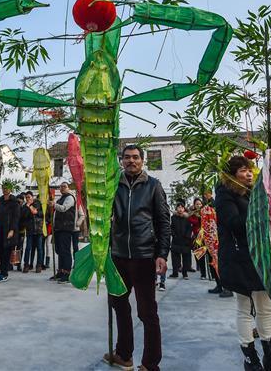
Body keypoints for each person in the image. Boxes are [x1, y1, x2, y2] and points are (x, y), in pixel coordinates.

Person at [216, 155, 271, 371]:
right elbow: (234, 224)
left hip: (261, 257)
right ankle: (250, 357)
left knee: (266, 308)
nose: (248, 174)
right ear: (231, 174)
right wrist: (259, 212)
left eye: (250, 170)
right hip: (239, 259)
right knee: (245, 308)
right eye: (242, 170)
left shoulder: (255, 193)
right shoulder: (224, 194)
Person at [104, 145, 171, 371]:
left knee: (147, 312)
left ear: (142, 161)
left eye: (135, 157)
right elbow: (104, 218)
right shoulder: (113, 186)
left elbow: (163, 222)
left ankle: (150, 364)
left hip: (144, 257)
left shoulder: (153, 186)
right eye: (127, 157)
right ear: (121, 161)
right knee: (119, 305)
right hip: (118, 257)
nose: (131, 161)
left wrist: (162, 253)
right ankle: (124, 354)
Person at [0, 182, 20, 283]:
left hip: (9, 230)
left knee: (6, 252)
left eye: (7, 188)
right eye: (3, 188)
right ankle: (1, 272)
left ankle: (4, 273)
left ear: (10, 190)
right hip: (0, 229)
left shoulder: (14, 202)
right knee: (0, 251)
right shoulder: (0, 201)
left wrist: (12, 230)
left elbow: (16, 218)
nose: (5, 190)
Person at [52, 181, 78, 283]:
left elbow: (63, 209)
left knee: (65, 251)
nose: (62, 188)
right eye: (61, 186)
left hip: (66, 228)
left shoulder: (70, 198)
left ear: (68, 188)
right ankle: (61, 271)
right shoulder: (61, 198)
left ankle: (67, 273)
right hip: (59, 228)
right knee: (59, 251)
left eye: (64, 186)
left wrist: (54, 205)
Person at [169, 202, 193, 280]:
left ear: (184, 208)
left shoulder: (187, 218)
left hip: (185, 241)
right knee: (175, 258)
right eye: (178, 207)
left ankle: (185, 273)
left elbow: (189, 228)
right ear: (176, 209)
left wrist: (187, 237)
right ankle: (175, 273)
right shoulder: (173, 217)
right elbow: (171, 227)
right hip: (176, 240)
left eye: (181, 207)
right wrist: (174, 235)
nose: (180, 209)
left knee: (186, 258)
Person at [21, 192, 43, 273]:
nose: (27, 199)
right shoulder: (24, 207)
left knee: (39, 248)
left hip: (38, 229)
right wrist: (27, 207)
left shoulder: (37, 203)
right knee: (28, 248)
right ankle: (26, 265)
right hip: (30, 230)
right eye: (26, 197)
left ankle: (39, 265)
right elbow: (23, 216)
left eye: (29, 197)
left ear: (32, 197)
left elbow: (36, 212)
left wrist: (30, 206)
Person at [188, 198, 207, 279]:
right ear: (194, 205)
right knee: (200, 256)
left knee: (210, 256)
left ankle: (213, 274)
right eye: (196, 204)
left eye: (199, 204)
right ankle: (203, 274)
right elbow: (192, 221)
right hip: (198, 236)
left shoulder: (205, 212)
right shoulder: (192, 214)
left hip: (206, 235)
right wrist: (196, 215)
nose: (198, 205)